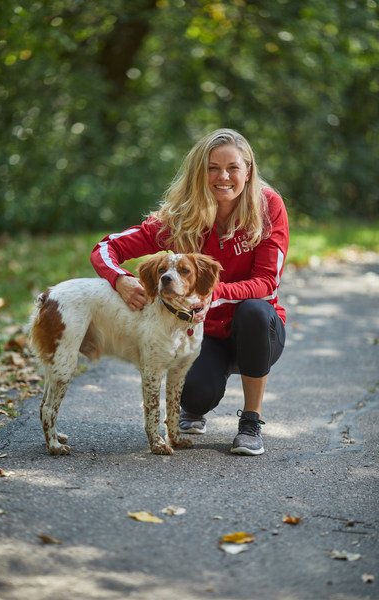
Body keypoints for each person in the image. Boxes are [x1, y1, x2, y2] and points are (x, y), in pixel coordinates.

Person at [90, 128, 288, 455]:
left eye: (232, 167)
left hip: (255, 331)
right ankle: (195, 408)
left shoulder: (267, 206)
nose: (222, 176)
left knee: (255, 310)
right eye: (212, 167)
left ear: (248, 170)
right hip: (198, 331)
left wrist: (215, 294)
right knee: (196, 393)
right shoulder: (180, 217)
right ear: (199, 172)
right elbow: (107, 247)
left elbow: (268, 282)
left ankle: (251, 421)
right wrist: (120, 280)